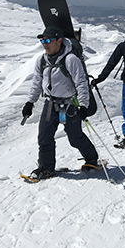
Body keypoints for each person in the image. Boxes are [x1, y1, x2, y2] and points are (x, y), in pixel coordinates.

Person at [22, 26, 100, 180]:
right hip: (50, 103)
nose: (45, 44)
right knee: (44, 137)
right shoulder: (41, 60)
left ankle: (92, 159)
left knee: (75, 137)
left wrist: (83, 105)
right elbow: (36, 83)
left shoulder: (71, 59)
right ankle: (46, 168)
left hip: (70, 104)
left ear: (59, 41)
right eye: (43, 41)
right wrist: (30, 102)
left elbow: (81, 83)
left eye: (48, 40)